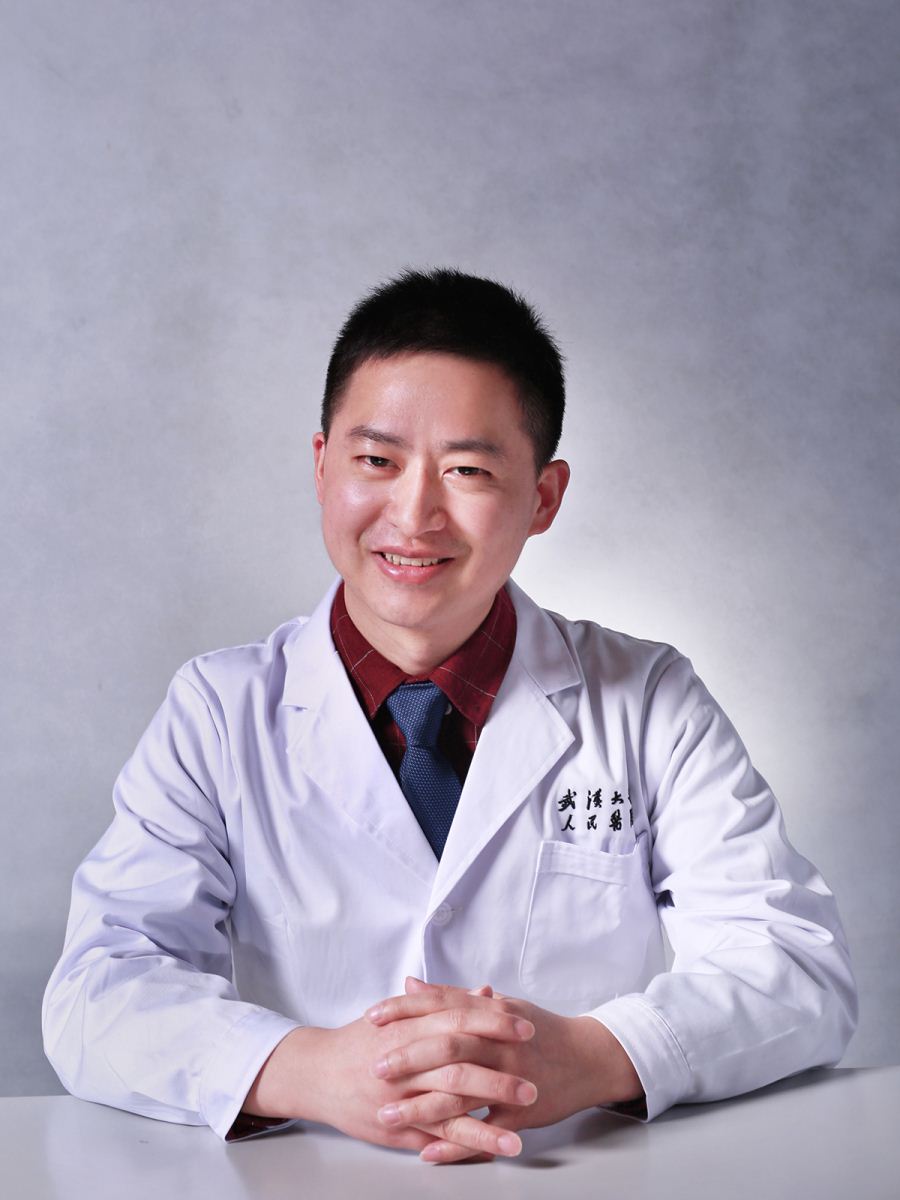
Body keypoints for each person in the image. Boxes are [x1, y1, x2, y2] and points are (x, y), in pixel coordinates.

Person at [42, 269, 857, 1165]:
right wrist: (307, 1069)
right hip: (306, 1179)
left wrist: (590, 1056)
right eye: (376, 461)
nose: (414, 513)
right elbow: (98, 990)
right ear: (322, 465)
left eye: (467, 470)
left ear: (544, 497)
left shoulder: (650, 698)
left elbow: (796, 967)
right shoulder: (217, 712)